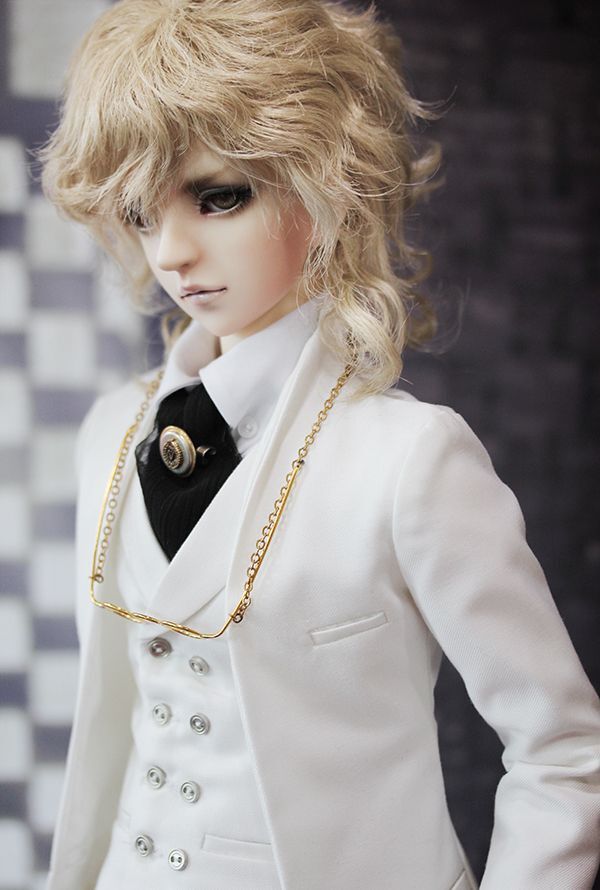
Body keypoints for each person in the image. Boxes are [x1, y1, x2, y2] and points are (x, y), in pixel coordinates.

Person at [40, 1, 600, 888]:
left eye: (220, 197)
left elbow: (565, 751)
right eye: (141, 212)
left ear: (325, 182)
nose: (172, 251)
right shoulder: (111, 429)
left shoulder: (411, 459)